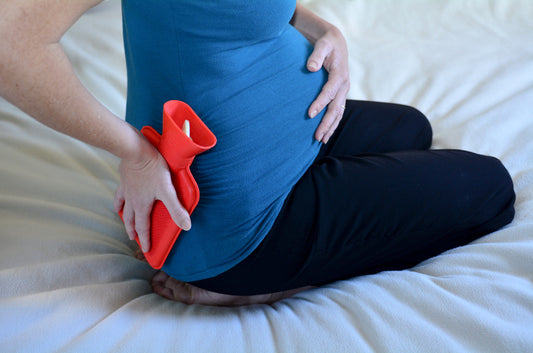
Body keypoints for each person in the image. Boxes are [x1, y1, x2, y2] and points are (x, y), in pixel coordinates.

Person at [0, 1, 515, 306]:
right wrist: (133, 153)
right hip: (238, 216)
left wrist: (315, 26)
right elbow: (10, 41)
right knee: (491, 188)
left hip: (288, 134)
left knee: (412, 129)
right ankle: (247, 284)